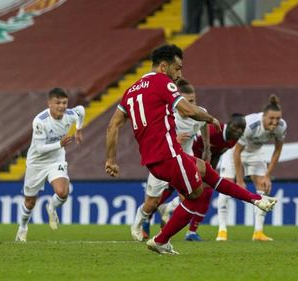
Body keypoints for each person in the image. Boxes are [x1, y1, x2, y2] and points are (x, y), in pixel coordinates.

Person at [105, 44, 277, 255]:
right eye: (177, 68)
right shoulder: (162, 81)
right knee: (197, 198)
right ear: (163, 66)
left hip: (155, 158)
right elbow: (187, 109)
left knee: (205, 171)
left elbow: (113, 125)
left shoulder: (130, 91)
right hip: (168, 154)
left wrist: (111, 159)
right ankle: (160, 240)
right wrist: (210, 118)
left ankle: (257, 200)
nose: (180, 74)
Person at [131, 78, 211, 242]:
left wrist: (207, 146)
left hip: (184, 159)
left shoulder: (198, 112)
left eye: (193, 100)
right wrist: (173, 139)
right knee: (151, 204)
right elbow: (151, 136)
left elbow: (204, 125)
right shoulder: (167, 115)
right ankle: (138, 222)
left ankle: (167, 212)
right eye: (187, 101)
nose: (191, 104)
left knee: (192, 197)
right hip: (162, 159)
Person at [151, 113, 247, 241]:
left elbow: (217, 152)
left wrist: (210, 171)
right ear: (229, 124)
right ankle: (157, 214)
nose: (238, 131)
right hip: (188, 157)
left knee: (206, 193)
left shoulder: (232, 141)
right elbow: (194, 143)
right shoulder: (214, 131)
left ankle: (190, 230)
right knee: (183, 189)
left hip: (202, 162)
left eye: (241, 129)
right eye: (236, 127)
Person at [15, 88, 85, 242]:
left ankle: (51, 208)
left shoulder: (69, 115)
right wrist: (59, 144)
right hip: (37, 162)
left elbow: (80, 110)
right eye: (58, 102)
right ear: (49, 104)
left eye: (64, 102)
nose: (62, 106)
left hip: (56, 160)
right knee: (30, 201)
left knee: (62, 192)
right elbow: (40, 149)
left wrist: (79, 129)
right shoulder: (40, 121)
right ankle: (22, 228)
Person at [216, 95, 287, 242]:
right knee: (225, 188)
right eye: (271, 119)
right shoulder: (251, 125)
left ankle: (258, 232)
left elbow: (277, 151)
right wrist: (240, 181)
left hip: (254, 153)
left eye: (277, 119)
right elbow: (237, 153)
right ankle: (222, 231)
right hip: (234, 151)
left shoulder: (282, 127)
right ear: (263, 117)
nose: (274, 122)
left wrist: (267, 175)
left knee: (264, 188)